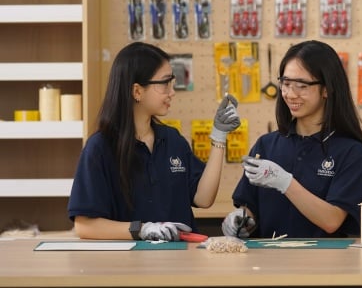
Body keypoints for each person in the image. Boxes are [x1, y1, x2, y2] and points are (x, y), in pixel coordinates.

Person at [68, 42, 241, 241]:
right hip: (129, 266)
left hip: (181, 262)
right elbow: (85, 226)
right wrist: (141, 230)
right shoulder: (100, 148)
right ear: (137, 92)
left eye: (172, 82)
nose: (172, 92)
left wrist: (219, 137)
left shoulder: (172, 139)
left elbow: (203, 199)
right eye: (165, 83)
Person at [222, 40, 362, 239]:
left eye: (302, 86)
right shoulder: (266, 145)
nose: (290, 94)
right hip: (269, 264)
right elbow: (250, 206)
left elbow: (332, 221)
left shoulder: (350, 152)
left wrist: (285, 182)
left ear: (326, 89)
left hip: (325, 265)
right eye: (286, 84)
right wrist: (241, 219)